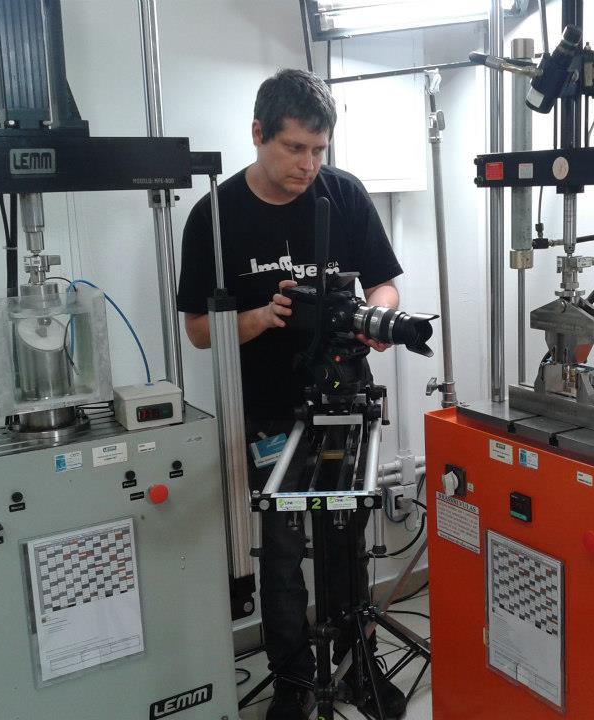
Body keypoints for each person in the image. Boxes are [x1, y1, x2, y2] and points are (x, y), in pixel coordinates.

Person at [177, 69, 407, 720]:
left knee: (345, 543)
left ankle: (357, 666)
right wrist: (260, 318)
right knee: (280, 554)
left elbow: (385, 282)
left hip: (341, 402)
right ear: (258, 133)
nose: (308, 165)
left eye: (319, 150)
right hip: (268, 411)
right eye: (294, 148)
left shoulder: (345, 194)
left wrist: (377, 319)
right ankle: (293, 682)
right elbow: (198, 331)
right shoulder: (215, 216)